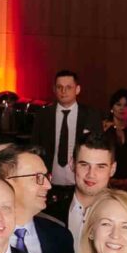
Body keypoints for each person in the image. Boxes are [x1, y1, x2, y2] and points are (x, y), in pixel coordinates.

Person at [0, 145, 75, 253]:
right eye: (38, 177)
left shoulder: (60, 238)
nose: (48, 185)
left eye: (46, 177)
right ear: (7, 183)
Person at [41, 70, 87, 213]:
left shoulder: (90, 115)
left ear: (77, 89)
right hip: (50, 185)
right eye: (59, 87)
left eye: (68, 87)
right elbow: (36, 147)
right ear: (54, 89)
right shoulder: (44, 115)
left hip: (79, 185)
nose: (63, 91)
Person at [64, 135, 118, 251]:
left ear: (112, 169)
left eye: (100, 167)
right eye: (84, 165)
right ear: (72, 164)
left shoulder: (124, 215)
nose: (91, 174)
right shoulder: (49, 214)